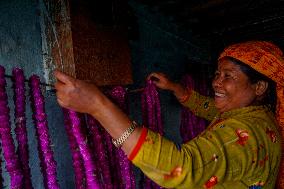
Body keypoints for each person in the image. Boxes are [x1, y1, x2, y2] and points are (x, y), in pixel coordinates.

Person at [54, 41, 284, 189]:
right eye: (217, 73)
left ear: (260, 87)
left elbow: (179, 167)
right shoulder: (257, 116)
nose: (216, 82)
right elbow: (210, 108)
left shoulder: (245, 133)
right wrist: (176, 88)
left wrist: (98, 105)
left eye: (228, 76)